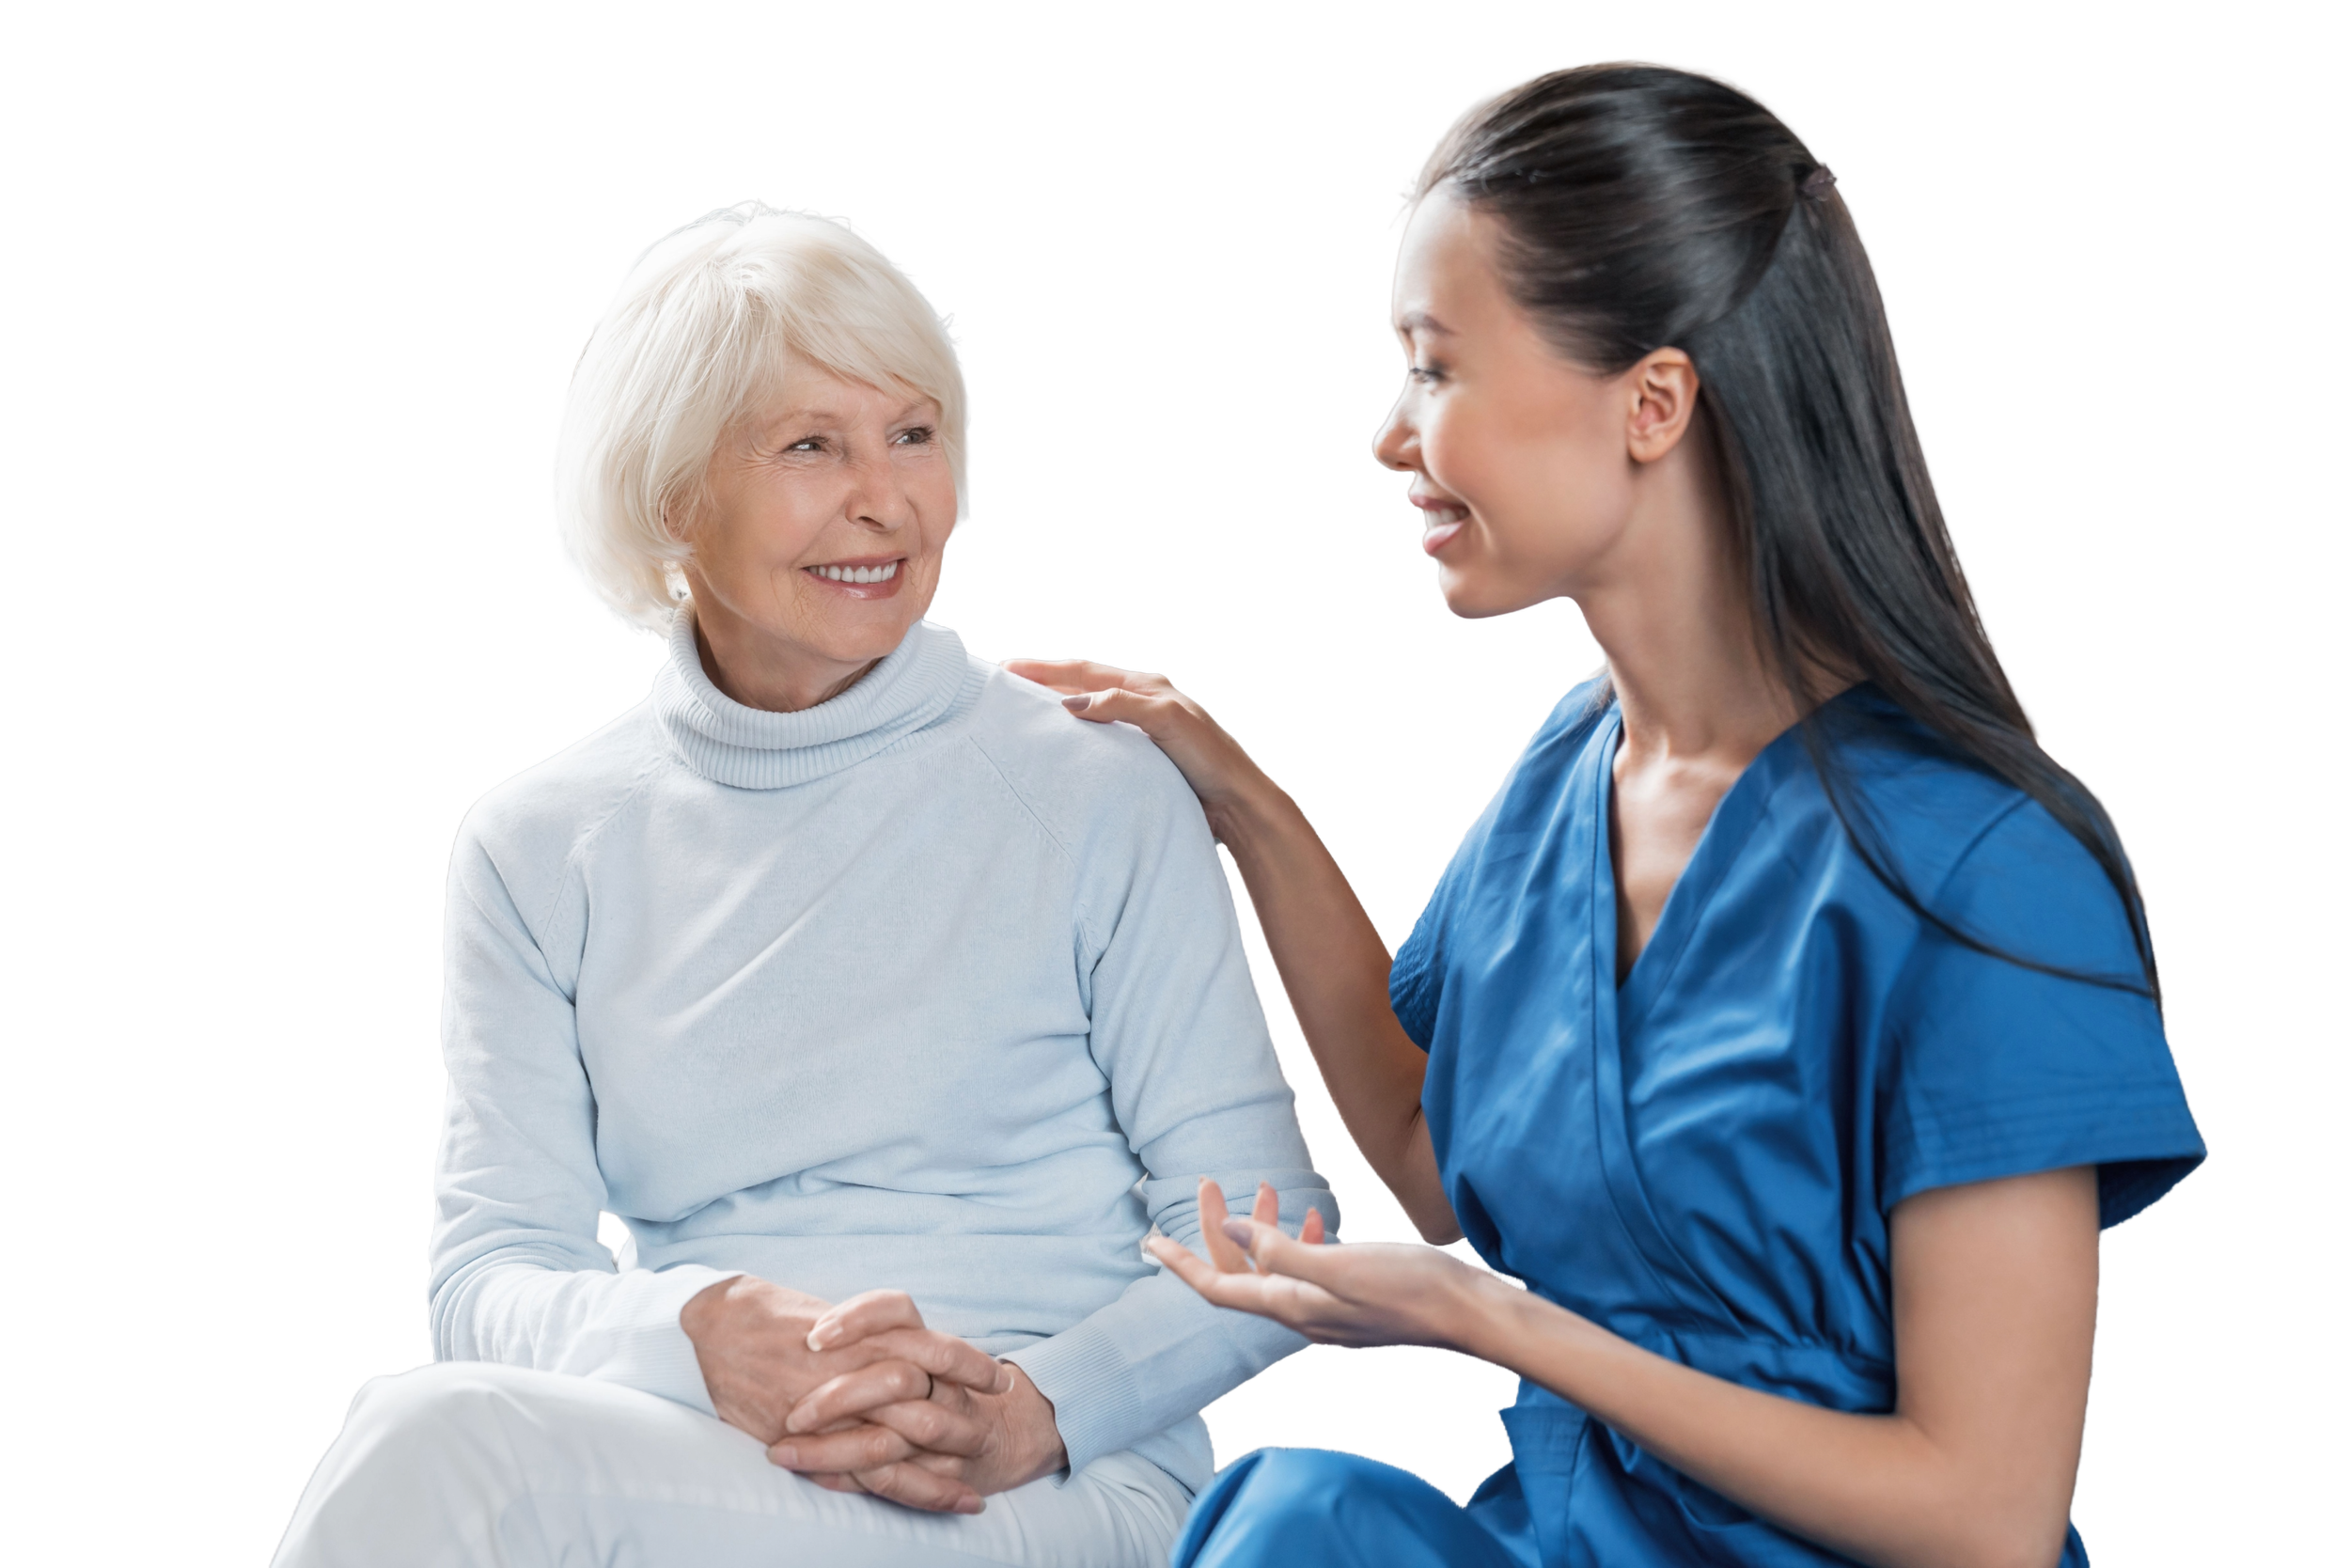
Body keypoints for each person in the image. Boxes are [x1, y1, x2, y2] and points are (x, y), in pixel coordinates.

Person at [1010, 60, 2203, 1568]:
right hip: (1571, 1539)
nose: (1393, 437)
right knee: (1297, 1525)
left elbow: (1986, 1515)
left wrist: (1496, 1322)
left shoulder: (1978, 871)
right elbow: (1439, 1144)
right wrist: (1244, 804)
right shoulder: (1574, 770)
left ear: (1651, 403)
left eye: (1437, 367)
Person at [273, 200, 1338, 1568]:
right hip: (702, 1458)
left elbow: (1265, 1228)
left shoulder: (1091, 785)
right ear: (670, 496)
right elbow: (487, 1279)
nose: (885, 501)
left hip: (1055, 1488)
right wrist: (689, 1336)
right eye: (809, 446)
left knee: (444, 1455)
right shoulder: (536, 843)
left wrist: (1031, 1410)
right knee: (441, 1434)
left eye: (915, 434)